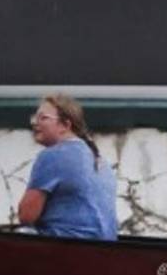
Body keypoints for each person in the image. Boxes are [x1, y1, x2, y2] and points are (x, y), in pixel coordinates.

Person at [18, 94, 118, 240]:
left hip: (65, 250)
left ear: (65, 125)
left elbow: (26, 216)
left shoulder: (52, 156)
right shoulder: (102, 162)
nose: (34, 123)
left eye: (43, 118)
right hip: (106, 250)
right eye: (35, 117)